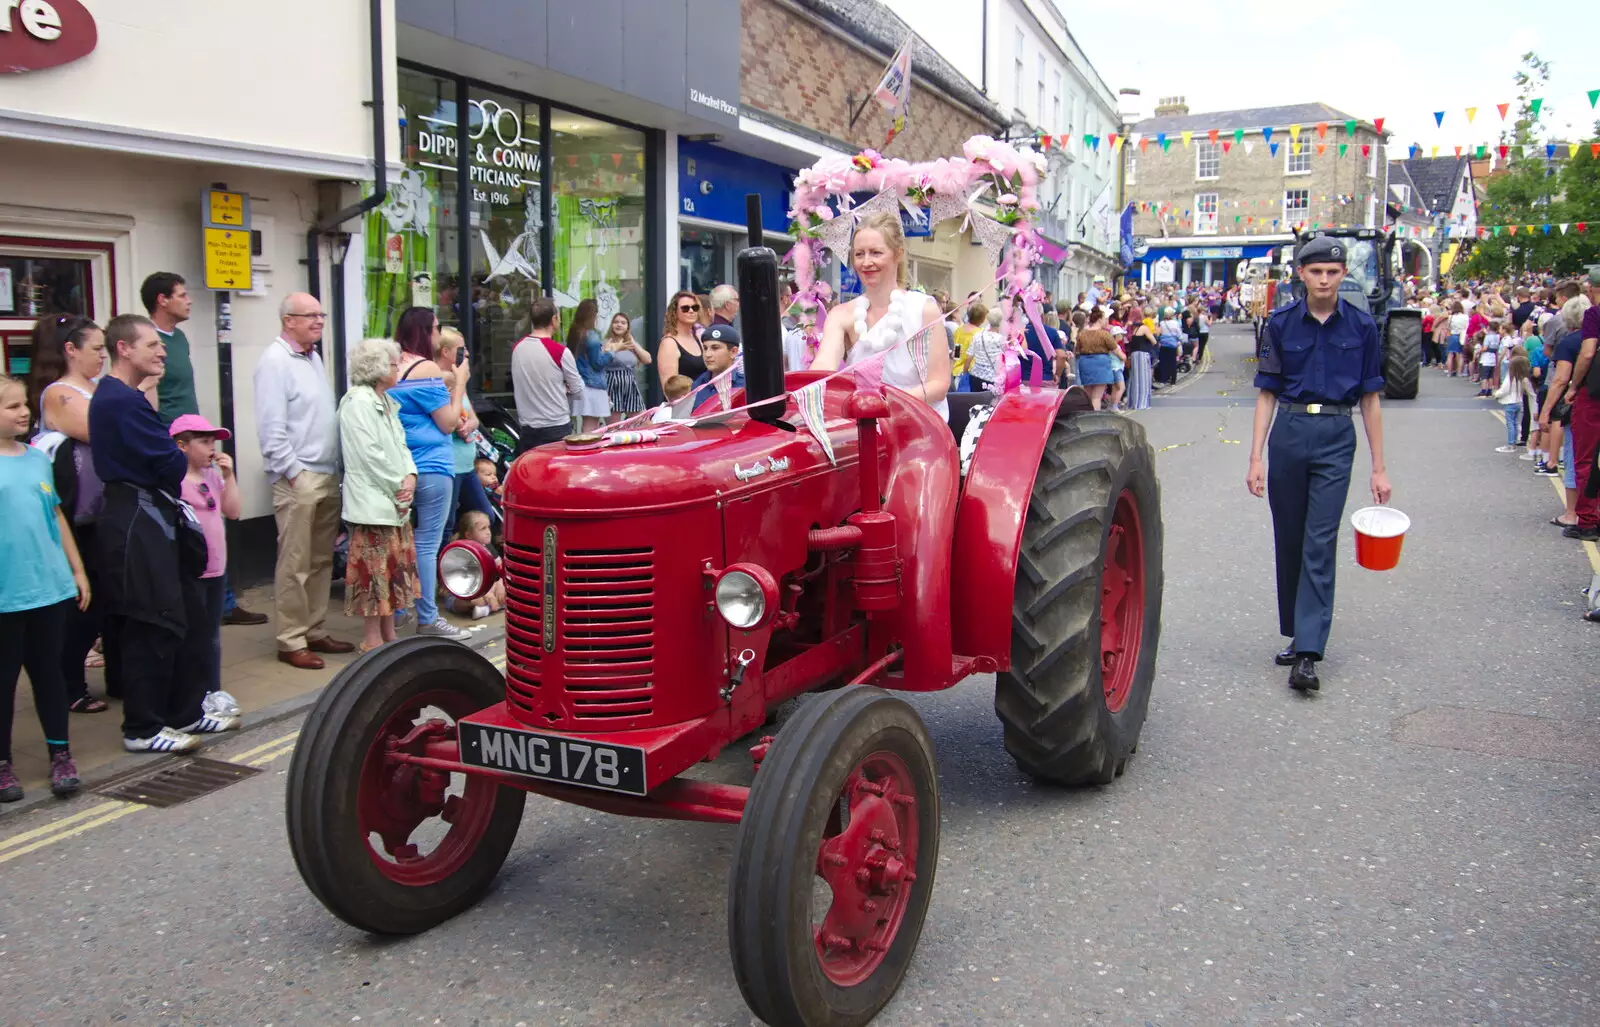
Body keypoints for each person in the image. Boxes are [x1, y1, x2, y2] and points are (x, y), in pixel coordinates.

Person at [1246, 235, 1392, 694]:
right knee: (1289, 538)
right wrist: (1256, 458)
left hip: (1335, 435)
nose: (1325, 279)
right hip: (1288, 434)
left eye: (1333, 272)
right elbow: (1267, 392)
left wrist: (1379, 467)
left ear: (1343, 274)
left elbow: (1370, 397)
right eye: (1316, 272)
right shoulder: (1281, 323)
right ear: (1301, 275)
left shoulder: (1363, 326)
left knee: (1319, 541)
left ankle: (1309, 651)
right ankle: (1296, 630)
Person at [91, 315, 216, 751]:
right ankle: (142, 729)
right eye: (151, 345)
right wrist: (170, 455)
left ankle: (186, 713)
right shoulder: (119, 401)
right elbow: (171, 462)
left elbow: (166, 457)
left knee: (183, 616)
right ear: (124, 349)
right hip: (135, 518)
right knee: (151, 621)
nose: (161, 351)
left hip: (151, 513)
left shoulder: (129, 398)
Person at [143, 273, 267, 628]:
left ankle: (224, 601)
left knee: (216, 516)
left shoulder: (178, 339)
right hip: (173, 446)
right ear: (162, 300)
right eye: (182, 295)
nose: (190, 300)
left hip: (194, 441)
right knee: (188, 523)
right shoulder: (149, 341)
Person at [0, 373, 89, 800]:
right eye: (12, 406)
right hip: (6, 594)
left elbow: (55, 517)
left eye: (23, 404)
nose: (24, 412)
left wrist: (77, 570)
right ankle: (3, 765)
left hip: (48, 587)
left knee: (49, 675)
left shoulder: (37, 458)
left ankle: (61, 754)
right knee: (3, 680)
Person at [253, 293, 354, 670]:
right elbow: (271, 428)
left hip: (325, 472)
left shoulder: (311, 356)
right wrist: (294, 474)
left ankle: (313, 628)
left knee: (320, 559)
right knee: (294, 562)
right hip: (300, 476)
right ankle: (290, 638)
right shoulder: (274, 362)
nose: (319, 321)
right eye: (310, 315)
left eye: (321, 314)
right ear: (287, 320)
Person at [25, 315, 114, 714]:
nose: (103, 355)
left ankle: (88, 678)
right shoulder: (58, 394)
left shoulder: (96, 389)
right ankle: (68, 685)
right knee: (83, 602)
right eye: (96, 348)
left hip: (102, 513)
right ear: (70, 350)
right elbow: (103, 433)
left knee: (105, 599)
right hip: (73, 514)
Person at [811, 210, 952, 417]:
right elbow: (823, 367)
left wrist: (885, 405)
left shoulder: (924, 308)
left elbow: (939, 384)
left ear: (898, 254)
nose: (866, 262)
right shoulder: (841, 315)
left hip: (919, 427)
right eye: (859, 254)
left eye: (875, 253)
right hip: (863, 425)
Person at [392, 306, 473, 643]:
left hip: (402, 464)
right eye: (437, 328)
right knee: (426, 543)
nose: (440, 334)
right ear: (425, 332)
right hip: (433, 465)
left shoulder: (395, 364)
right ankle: (428, 618)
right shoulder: (426, 366)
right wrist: (460, 382)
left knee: (401, 542)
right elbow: (449, 421)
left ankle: (398, 610)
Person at [337, 337, 420, 653]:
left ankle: (389, 636)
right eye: (393, 362)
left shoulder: (384, 400)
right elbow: (368, 454)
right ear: (374, 366)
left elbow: (401, 445)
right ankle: (372, 640)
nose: (398, 367)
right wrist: (399, 484)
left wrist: (410, 475)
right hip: (373, 503)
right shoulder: (358, 402)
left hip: (394, 501)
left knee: (391, 569)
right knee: (374, 573)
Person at [169, 414, 243, 727]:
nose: (210, 447)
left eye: (213, 441)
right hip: (191, 570)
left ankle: (212, 691)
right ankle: (193, 695)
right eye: (203, 441)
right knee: (193, 636)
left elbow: (234, 511)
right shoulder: (176, 481)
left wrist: (229, 476)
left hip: (217, 568)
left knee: (211, 635)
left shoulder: (212, 475)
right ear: (181, 445)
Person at [436, 327, 491, 555]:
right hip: (451, 465)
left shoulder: (459, 379)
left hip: (467, 464)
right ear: (446, 351)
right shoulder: (441, 381)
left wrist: (471, 424)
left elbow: (472, 416)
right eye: (461, 350)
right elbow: (449, 421)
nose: (466, 354)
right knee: (446, 524)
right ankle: (445, 578)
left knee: (484, 512)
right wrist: (460, 424)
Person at [511, 297, 583, 455]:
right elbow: (578, 390)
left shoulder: (517, 348)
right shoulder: (559, 351)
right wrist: (565, 388)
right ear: (554, 319)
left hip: (528, 427)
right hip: (556, 426)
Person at [1563, 271, 1600, 541]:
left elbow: (1588, 353)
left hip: (1595, 395)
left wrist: (1574, 386)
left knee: (1587, 457)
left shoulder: (1594, 314)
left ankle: (1587, 520)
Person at [445, 510, 505, 620]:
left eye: (488, 527)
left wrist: (500, 584)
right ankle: (480, 605)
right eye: (483, 529)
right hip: (467, 592)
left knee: (506, 591)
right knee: (455, 602)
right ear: (469, 535)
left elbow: (501, 570)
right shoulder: (461, 553)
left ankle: (486, 608)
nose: (488, 532)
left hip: (487, 589)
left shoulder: (487, 546)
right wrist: (485, 595)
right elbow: (464, 585)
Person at [566, 298, 613, 433]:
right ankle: (588, 451)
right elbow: (597, 363)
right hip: (593, 385)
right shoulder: (591, 335)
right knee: (592, 424)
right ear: (592, 315)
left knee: (587, 422)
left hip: (580, 383)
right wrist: (609, 352)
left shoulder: (575, 332)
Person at [601, 312, 652, 424]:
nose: (619, 325)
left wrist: (633, 343)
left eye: (623, 323)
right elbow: (599, 362)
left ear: (628, 326)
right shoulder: (605, 342)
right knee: (614, 427)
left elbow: (648, 359)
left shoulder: (631, 344)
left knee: (644, 422)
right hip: (611, 384)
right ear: (611, 325)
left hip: (630, 384)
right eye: (616, 322)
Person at [657, 291, 708, 385]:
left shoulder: (697, 338)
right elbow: (669, 388)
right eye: (685, 308)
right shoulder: (669, 343)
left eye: (695, 307)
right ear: (674, 312)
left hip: (703, 397)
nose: (691, 311)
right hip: (683, 399)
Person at [1073, 308, 1118, 409]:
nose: (1106, 321)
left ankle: (1086, 416)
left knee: (1088, 395)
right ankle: (1093, 418)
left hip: (1085, 363)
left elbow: (1077, 350)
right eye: (1104, 319)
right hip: (1100, 364)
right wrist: (1123, 357)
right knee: (1097, 396)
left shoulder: (1082, 334)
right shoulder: (1104, 334)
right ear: (1100, 319)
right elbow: (1115, 349)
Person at [691, 324, 745, 400]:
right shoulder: (697, 387)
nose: (707, 354)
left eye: (715, 348)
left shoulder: (746, 386)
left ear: (733, 352)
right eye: (705, 348)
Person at [1493, 355, 1533, 454]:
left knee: (1510, 424)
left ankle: (1511, 445)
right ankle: (1514, 442)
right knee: (1515, 423)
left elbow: (1505, 390)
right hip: (1519, 402)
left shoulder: (1510, 377)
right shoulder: (1523, 377)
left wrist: (1496, 394)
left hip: (1510, 402)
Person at [965, 307, 1005, 393]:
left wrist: (965, 372)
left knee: (976, 404)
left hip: (976, 377)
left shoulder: (978, 335)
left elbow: (969, 357)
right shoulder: (1002, 339)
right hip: (994, 379)